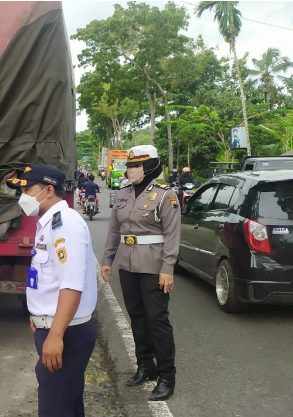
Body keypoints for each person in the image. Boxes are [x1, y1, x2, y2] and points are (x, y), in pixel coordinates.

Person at [6, 164, 98, 417]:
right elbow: (48, 279)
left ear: (48, 190)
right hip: (56, 326)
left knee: (55, 408)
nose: (22, 197)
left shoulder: (63, 225)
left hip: (66, 333)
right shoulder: (48, 223)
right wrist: (37, 313)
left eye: (27, 190)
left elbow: (71, 284)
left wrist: (56, 335)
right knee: (66, 404)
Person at [101, 145, 180, 401]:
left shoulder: (165, 195)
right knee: (136, 316)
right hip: (127, 264)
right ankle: (146, 366)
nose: (130, 170)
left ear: (148, 168)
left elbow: (172, 236)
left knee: (157, 320)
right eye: (129, 165)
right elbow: (114, 230)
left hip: (154, 267)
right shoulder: (122, 193)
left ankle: (167, 376)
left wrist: (167, 268)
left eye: (135, 166)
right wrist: (107, 259)